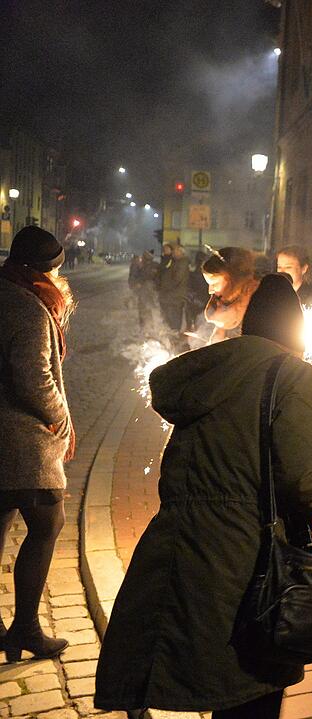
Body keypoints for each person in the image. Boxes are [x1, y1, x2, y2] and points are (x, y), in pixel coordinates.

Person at [95, 273, 312, 717]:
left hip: (178, 541)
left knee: (198, 664)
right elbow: (302, 480)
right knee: (248, 687)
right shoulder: (291, 373)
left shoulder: (210, 364)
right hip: (243, 550)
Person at [0, 226, 74, 663]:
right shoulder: (28, 306)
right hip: (21, 439)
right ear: (43, 272)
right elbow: (34, 379)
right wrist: (60, 418)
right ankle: (25, 628)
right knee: (48, 521)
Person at [202, 247, 260, 344]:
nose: (210, 291)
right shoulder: (223, 298)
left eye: (214, 284)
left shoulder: (258, 300)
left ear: (234, 280)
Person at [157, 243, 189, 346]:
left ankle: (175, 344)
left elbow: (176, 279)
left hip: (175, 298)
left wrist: (164, 286)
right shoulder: (176, 262)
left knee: (174, 322)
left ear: (180, 251)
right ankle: (172, 342)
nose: (173, 252)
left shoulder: (182, 263)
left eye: (175, 250)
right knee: (169, 321)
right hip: (170, 297)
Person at [128, 251, 157, 330]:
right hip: (144, 290)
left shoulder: (148, 265)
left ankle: (147, 326)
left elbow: (146, 276)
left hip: (146, 290)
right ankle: (146, 325)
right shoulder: (144, 264)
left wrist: (138, 283)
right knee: (144, 308)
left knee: (145, 308)